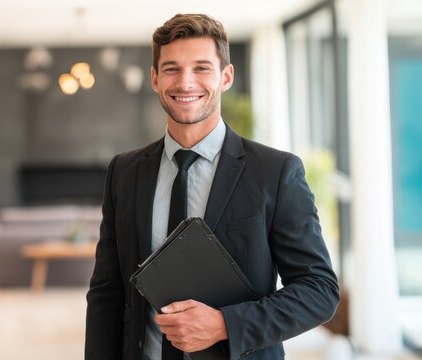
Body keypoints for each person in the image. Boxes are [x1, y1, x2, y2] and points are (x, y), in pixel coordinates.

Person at [85, 13, 339, 360]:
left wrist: (224, 324)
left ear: (226, 77)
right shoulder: (124, 171)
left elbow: (319, 291)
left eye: (202, 68)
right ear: (155, 79)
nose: (185, 83)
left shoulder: (275, 172)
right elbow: (106, 293)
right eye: (172, 69)